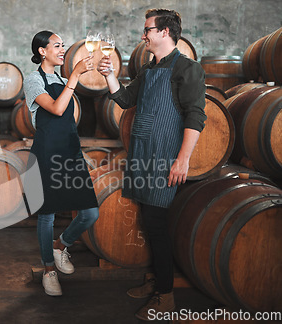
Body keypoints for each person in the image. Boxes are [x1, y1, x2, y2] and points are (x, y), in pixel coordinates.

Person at [97, 9, 207, 320]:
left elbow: (195, 116)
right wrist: (109, 76)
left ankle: (166, 296)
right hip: (143, 155)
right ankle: (159, 281)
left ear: (164, 32)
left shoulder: (188, 69)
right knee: (149, 222)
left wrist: (182, 159)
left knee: (157, 227)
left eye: (148, 29)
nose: (143, 35)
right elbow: (124, 99)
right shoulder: (148, 70)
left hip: (165, 157)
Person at [23, 31, 100, 297]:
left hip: (70, 152)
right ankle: (48, 270)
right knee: (47, 214)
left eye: (63, 46)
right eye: (57, 46)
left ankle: (60, 245)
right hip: (46, 153)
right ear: (42, 51)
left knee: (90, 212)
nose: (63, 50)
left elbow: (68, 114)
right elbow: (55, 109)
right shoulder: (34, 80)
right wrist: (76, 77)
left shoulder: (64, 80)